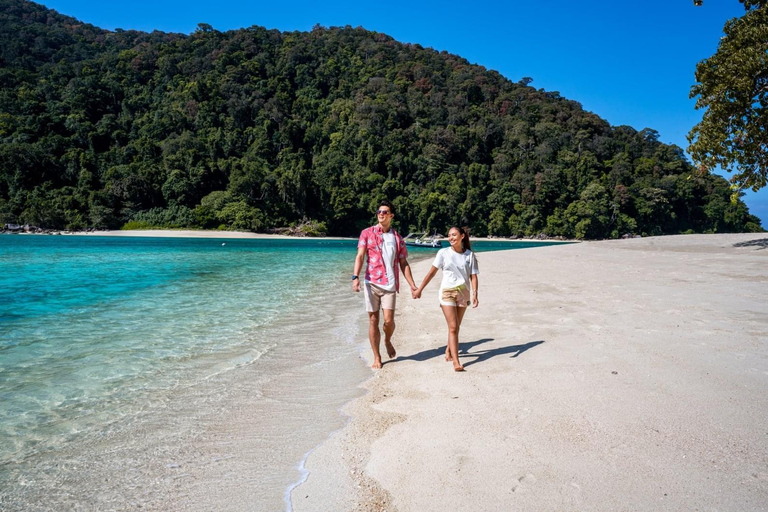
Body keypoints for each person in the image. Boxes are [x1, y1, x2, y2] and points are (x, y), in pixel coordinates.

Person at [352, 200, 417, 369]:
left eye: (385, 211)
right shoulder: (367, 233)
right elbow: (360, 256)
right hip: (371, 282)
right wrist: (355, 277)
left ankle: (387, 340)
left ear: (391, 216)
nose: (381, 213)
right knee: (373, 320)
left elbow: (403, 263)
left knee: (388, 321)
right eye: (379, 211)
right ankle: (377, 357)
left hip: (390, 285)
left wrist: (412, 284)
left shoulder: (397, 238)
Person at [412, 226, 479, 371]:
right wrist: (419, 289)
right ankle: (456, 361)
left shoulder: (469, 255)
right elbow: (431, 273)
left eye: (454, 235)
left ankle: (449, 350)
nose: (451, 238)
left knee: (456, 327)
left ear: (462, 236)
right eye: (449, 235)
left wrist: (475, 294)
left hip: (463, 292)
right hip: (447, 292)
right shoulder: (443, 253)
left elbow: (473, 276)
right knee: (453, 327)